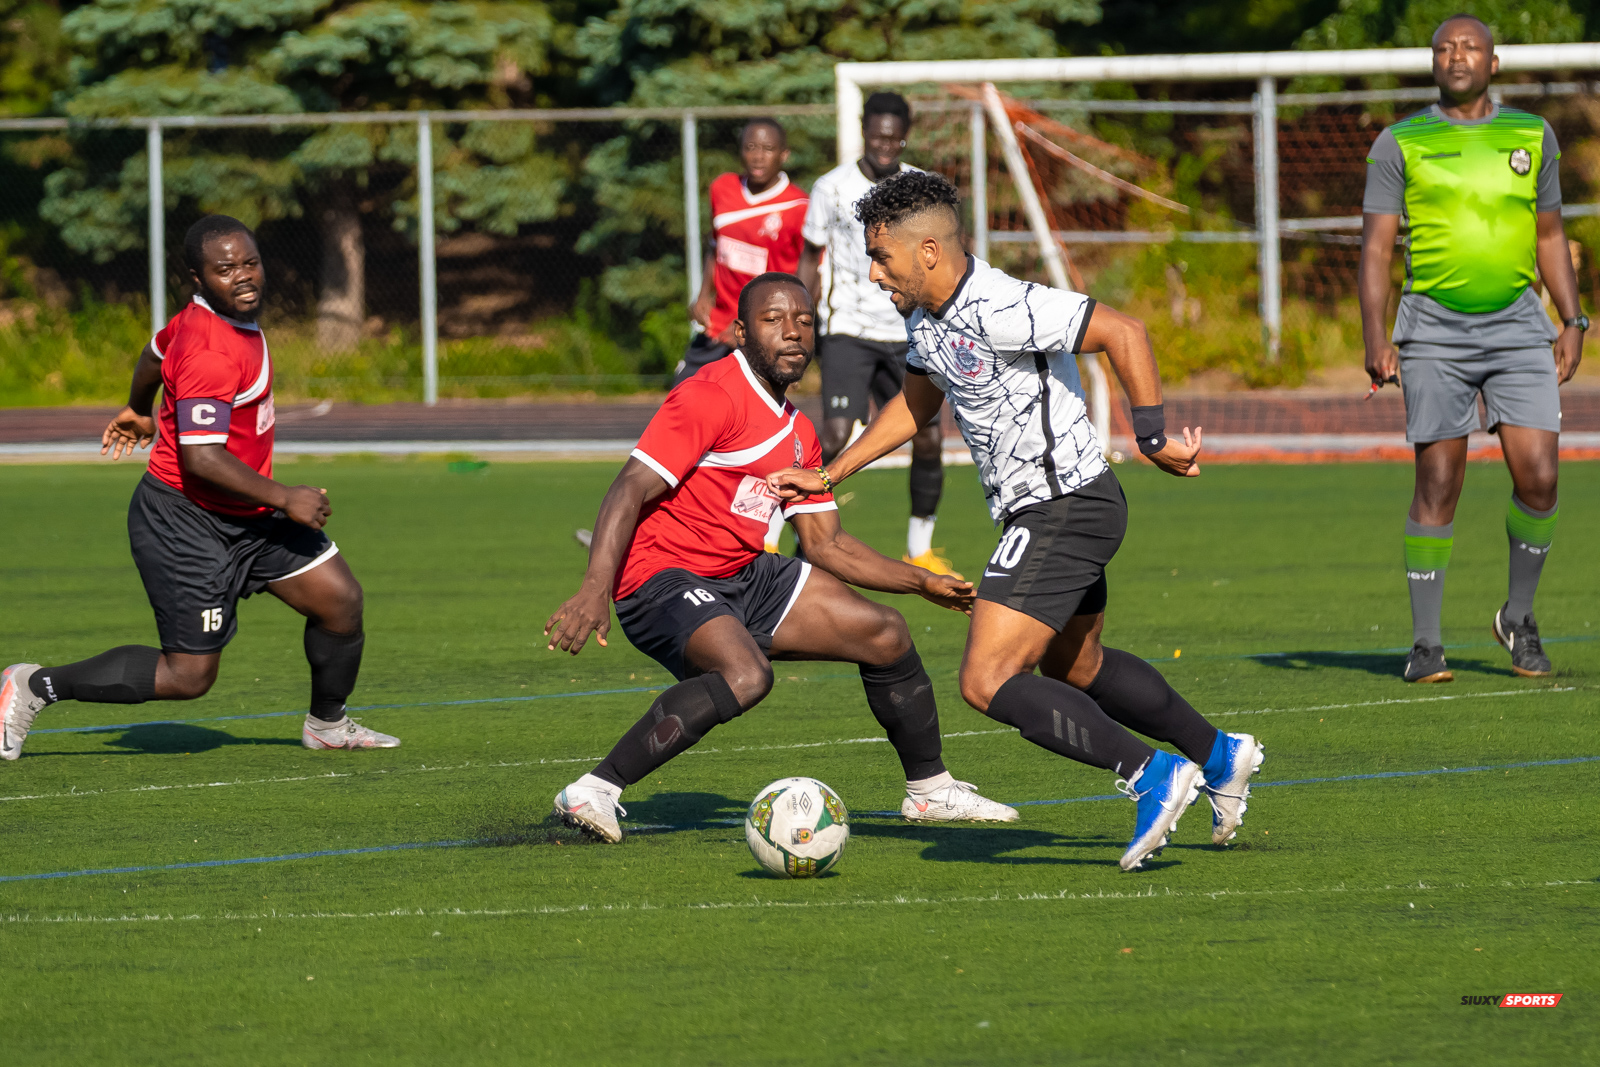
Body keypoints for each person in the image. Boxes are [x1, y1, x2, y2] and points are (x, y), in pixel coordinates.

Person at [769, 173, 1263, 872]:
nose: (872, 271)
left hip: (1067, 505)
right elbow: (916, 405)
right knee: (1076, 664)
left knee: (986, 677)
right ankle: (1220, 754)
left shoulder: (1002, 303)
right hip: (1050, 510)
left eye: (882, 257)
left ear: (930, 252)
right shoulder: (922, 316)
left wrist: (1150, 439)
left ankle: (1151, 774)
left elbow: (1124, 331)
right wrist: (832, 473)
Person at [544, 272, 1016, 843]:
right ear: (742, 332)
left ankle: (931, 792)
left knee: (886, 634)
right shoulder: (709, 394)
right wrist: (595, 587)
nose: (792, 333)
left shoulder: (800, 431)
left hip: (744, 573)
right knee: (746, 674)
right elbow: (629, 487)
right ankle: (594, 789)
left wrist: (921, 582)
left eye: (805, 321)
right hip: (661, 578)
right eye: (773, 320)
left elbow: (828, 545)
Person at [0, 215, 399, 759]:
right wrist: (287, 497)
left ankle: (328, 725)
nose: (243, 277)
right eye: (225, 268)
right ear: (197, 277)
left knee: (339, 602)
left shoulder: (204, 320)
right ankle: (32, 684)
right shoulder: (211, 349)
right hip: (185, 522)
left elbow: (153, 354)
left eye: (250, 263)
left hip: (246, 513)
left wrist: (139, 408)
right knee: (188, 677)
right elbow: (201, 457)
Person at [1360, 15, 1583, 684]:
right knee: (1438, 480)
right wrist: (1376, 334)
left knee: (1540, 475)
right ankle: (1425, 643)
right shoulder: (1399, 142)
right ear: (1433, 63)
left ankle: (1518, 615)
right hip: (1431, 329)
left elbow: (1549, 235)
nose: (1457, 56)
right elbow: (1375, 249)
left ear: (1494, 62)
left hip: (1520, 323)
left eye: (1470, 47)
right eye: (1445, 48)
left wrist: (1572, 319)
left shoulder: (1531, 135)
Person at [798, 92, 958, 576]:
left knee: (928, 439)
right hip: (847, 328)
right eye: (876, 134)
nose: (885, 144)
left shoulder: (919, 187)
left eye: (894, 136)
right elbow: (810, 257)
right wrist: (805, 320)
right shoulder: (831, 187)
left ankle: (920, 546)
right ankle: (791, 542)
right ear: (864, 132)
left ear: (904, 135)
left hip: (909, 331)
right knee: (833, 436)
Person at [677, 119, 809, 389]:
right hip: (719, 326)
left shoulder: (799, 206)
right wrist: (703, 295)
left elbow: (804, 281)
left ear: (784, 154)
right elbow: (716, 248)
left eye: (768, 148)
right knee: (683, 394)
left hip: (763, 336)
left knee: (752, 416)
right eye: (750, 147)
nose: (758, 156)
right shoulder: (722, 188)